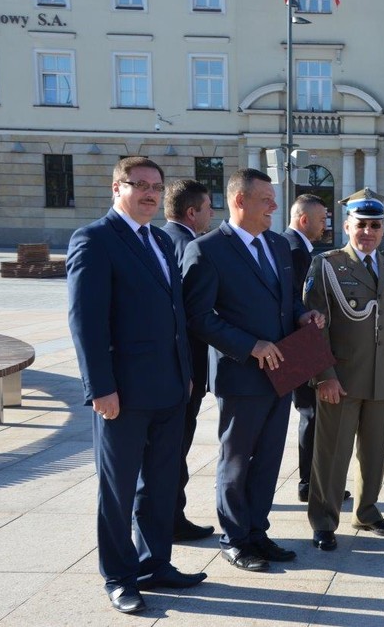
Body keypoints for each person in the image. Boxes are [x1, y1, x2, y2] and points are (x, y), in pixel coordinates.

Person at [67, 157, 206, 615]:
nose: (149, 193)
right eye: (139, 185)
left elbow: (174, 315)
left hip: (169, 388)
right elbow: (86, 323)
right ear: (116, 188)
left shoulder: (162, 242)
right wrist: (99, 388)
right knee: (118, 489)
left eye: (155, 187)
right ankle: (120, 577)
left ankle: (156, 564)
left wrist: (185, 372)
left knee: (161, 484)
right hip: (121, 394)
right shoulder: (94, 240)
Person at [181, 169, 324, 573]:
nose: (275, 207)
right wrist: (250, 345)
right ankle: (235, 538)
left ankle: (258, 531)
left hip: (284, 370)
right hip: (241, 374)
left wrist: (304, 315)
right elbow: (198, 317)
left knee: (268, 459)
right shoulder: (208, 250)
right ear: (240, 201)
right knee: (237, 458)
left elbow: (287, 302)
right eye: (266, 200)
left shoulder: (278, 246)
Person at [303, 188, 384, 551]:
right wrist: (324, 376)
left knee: (374, 452)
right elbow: (311, 327)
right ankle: (323, 520)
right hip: (341, 379)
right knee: (331, 455)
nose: (368, 232)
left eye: (375, 225)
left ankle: (366, 511)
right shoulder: (328, 265)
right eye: (361, 225)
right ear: (347, 226)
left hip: (382, 377)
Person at [282, 194, 352, 503]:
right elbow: (301, 303)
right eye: (322, 219)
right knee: (311, 413)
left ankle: (311, 481)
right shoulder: (297, 251)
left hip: (297, 341)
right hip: (299, 344)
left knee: (310, 413)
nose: (326, 225)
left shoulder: (290, 245)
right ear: (303, 220)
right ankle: (310, 483)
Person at [161, 179, 215, 542]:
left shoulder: (158, 239)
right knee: (175, 447)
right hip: (185, 369)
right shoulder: (190, 246)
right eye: (210, 208)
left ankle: (169, 515)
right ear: (192, 212)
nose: (213, 214)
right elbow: (190, 318)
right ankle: (171, 519)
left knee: (170, 448)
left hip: (171, 370)